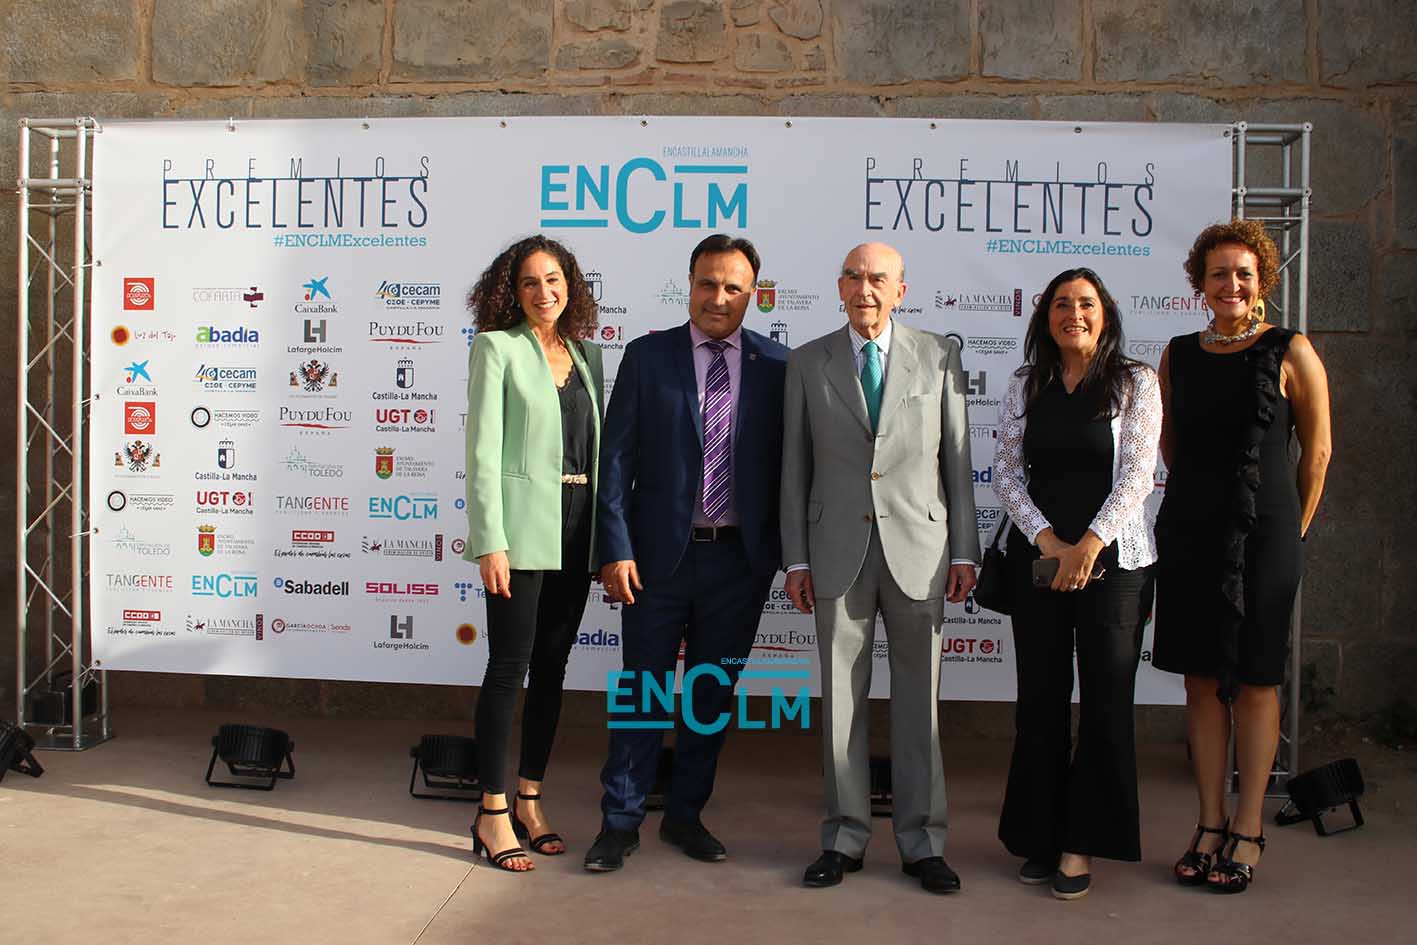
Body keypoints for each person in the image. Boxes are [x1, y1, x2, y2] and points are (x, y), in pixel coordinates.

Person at [584, 234, 789, 873]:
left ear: (753, 295)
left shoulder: (779, 365)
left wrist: (786, 556)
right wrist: (615, 550)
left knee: (710, 697)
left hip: (739, 564)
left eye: (733, 287)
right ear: (689, 284)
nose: (718, 298)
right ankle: (619, 822)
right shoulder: (648, 356)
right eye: (707, 283)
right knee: (642, 692)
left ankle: (685, 815)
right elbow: (615, 459)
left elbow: (793, 469)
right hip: (654, 563)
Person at [781, 242, 980, 895]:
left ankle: (924, 844)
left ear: (900, 290)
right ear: (839, 286)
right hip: (835, 551)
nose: (865, 289)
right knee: (841, 703)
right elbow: (793, 467)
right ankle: (843, 836)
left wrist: (964, 549)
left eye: (878, 279)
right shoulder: (807, 361)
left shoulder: (938, 355)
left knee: (920, 704)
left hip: (920, 552)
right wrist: (796, 557)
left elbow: (956, 459)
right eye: (854, 277)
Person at [1154, 219, 1331, 894]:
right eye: (1218, 274)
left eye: (1243, 274)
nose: (1231, 284)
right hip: (1191, 529)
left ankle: (1248, 826)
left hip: (1268, 533)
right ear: (1199, 283)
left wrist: (1292, 530)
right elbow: (1170, 443)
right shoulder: (1178, 353)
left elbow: (1316, 452)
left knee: (1256, 679)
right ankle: (1209, 821)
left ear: (1263, 282)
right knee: (1200, 679)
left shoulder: (1292, 349)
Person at [991, 268, 1162, 901]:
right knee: (1039, 701)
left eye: (1086, 303)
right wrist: (1049, 542)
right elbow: (1005, 471)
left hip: (1114, 567)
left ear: (1105, 314)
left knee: (1105, 704)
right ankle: (1040, 833)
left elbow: (1138, 476)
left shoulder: (1136, 382)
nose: (1074, 314)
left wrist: (1088, 545)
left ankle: (1081, 842)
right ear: (1046, 318)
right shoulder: (1025, 383)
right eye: (1062, 304)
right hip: (1040, 564)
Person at [463, 235, 604, 873]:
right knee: (507, 667)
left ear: (569, 285)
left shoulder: (587, 354)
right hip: (519, 532)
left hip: (576, 530)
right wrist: (490, 539)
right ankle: (491, 812)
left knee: (552, 669)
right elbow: (482, 452)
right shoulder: (497, 348)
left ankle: (529, 799)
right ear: (511, 292)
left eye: (553, 280)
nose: (544, 292)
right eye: (529, 282)